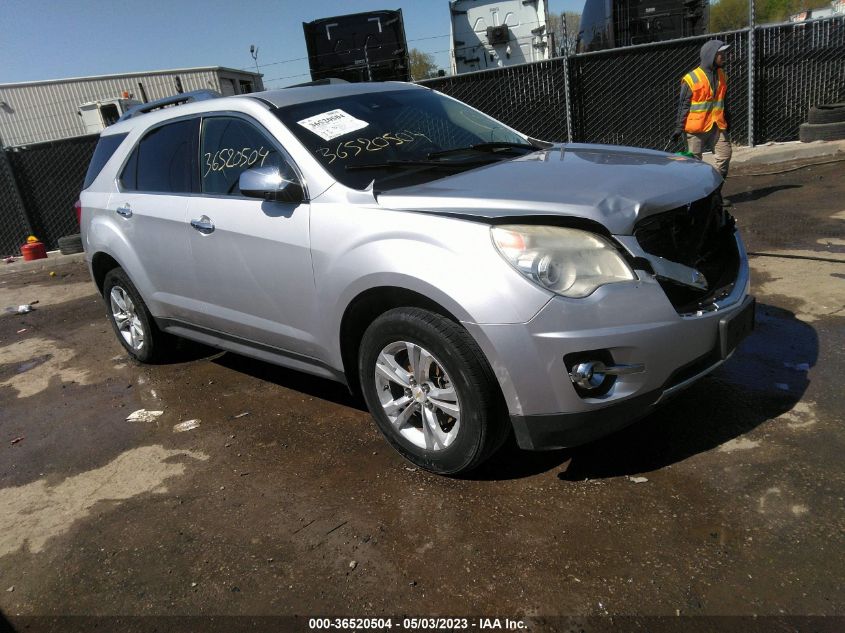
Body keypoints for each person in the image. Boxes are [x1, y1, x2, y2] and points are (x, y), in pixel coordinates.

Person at [672, 40, 732, 179]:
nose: (723, 56)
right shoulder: (691, 78)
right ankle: (698, 198)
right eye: (720, 53)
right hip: (695, 130)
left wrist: (728, 119)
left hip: (716, 126)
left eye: (724, 53)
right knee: (694, 164)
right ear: (710, 55)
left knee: (725, 155)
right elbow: (683, 105)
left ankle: (715, 192)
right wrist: (678, 128)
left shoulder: (722, 75)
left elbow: (723, 100)